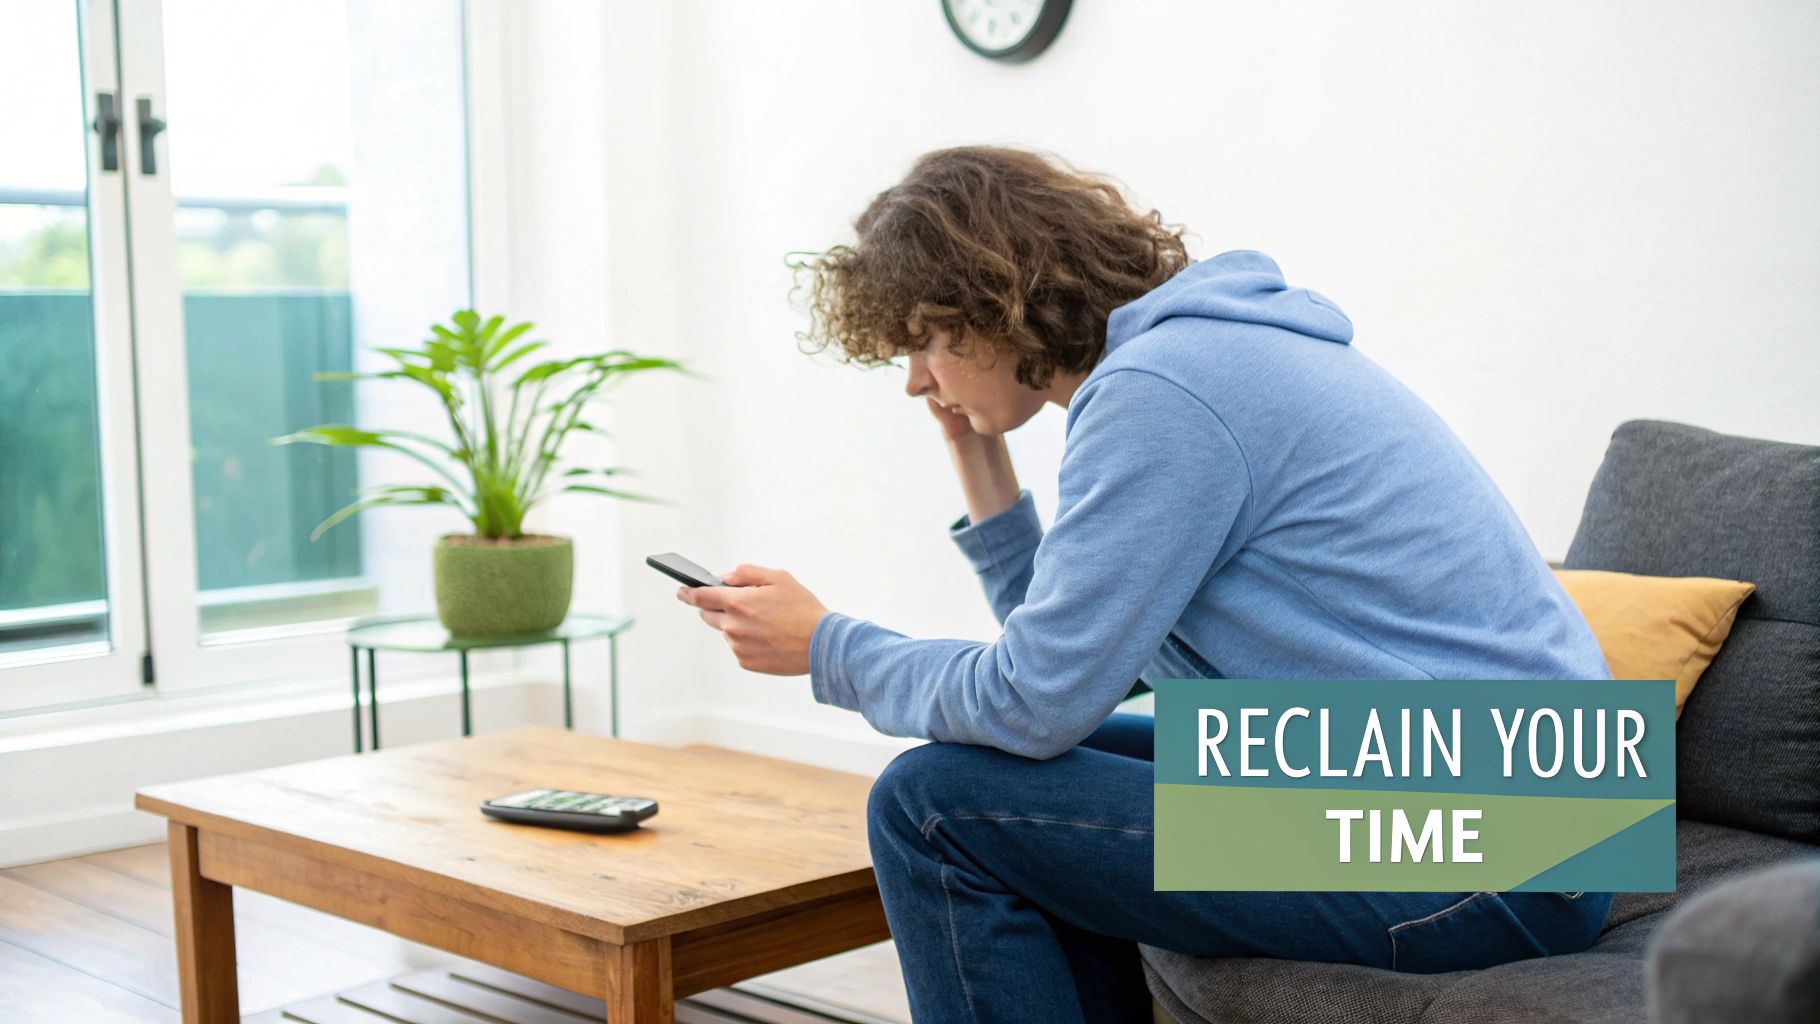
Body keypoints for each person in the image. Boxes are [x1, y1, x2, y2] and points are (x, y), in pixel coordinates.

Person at [676, 146, 1612, 1024]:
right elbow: (1084, 681)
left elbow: (1034, 701)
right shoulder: (1201, 359)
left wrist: (827, 646)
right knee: (1015, 771)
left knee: (932, 802)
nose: (916, 381)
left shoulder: (1163, 395)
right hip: (1513, 797)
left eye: (928, 342)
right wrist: (979, 456)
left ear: (1002, 301)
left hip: (1495, 844)